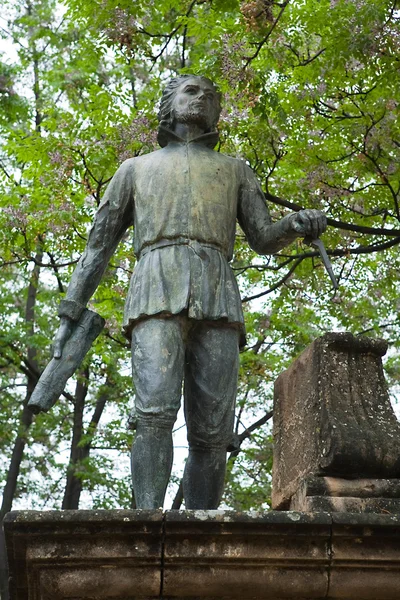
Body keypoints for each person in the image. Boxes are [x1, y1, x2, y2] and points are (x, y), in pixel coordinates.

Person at [53, 75, 327, 509]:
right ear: (170, 103)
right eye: (192, 91)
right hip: (154, 289)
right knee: (154, 413)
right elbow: (96, 249)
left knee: (213, 430)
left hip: (218, 293)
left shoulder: (236, 169)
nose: (203, 98)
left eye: (212, 95)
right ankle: (147, 519)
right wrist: (69, 316)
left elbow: (262, 236)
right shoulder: (135, 169)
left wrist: (294, 225)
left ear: (219, 113)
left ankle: (203, 529)